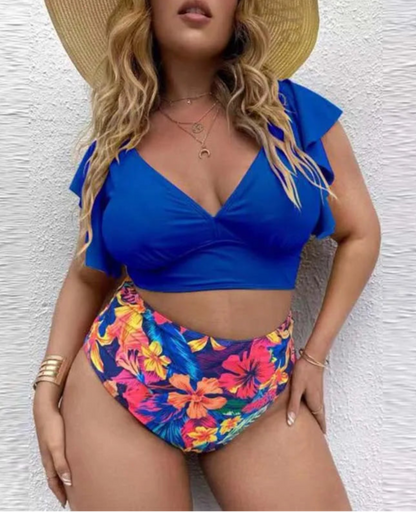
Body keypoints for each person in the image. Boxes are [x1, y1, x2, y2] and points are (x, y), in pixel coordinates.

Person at [33, 0, 380, 510]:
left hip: (261, 385)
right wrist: (47, 384)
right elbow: (89, 274)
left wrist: (314, 357)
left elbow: (361, 235)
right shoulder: (118, 141)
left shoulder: (294, 115)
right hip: (126, 378)